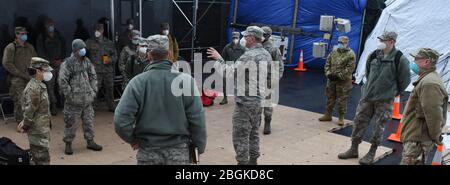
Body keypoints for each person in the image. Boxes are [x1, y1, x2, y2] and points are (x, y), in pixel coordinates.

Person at [114, 35, 206, 165]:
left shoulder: (137, 83)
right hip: (179, 153)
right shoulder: (186, 81)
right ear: (169, 54)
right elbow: (197, 118)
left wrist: (133, 139)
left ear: (149, 55)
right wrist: (199, 146)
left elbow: (120, 120)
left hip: (148, 153)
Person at [338, 31, 411, 165]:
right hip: (367, 97)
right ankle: (354, 148)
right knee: (359, 121)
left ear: (392, 42)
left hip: (384, 100)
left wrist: (392, 92)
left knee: (379, 126)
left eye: (384, 40)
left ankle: (372, 151)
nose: (380, 42)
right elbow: (368, 72)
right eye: (380, 40)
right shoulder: (374, 55)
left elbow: (405, 80)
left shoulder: (399, 59)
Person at [207, 26, 272, 165]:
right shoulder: (266, 54)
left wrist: (219, 59)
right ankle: (253, 161)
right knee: (254, 133)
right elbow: (270, 76)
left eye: (246, 36)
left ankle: (242, 163)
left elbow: (229, 73)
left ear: (252, 38)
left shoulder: (249, 56)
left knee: (240, 135)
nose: (244, 39)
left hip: (245, 102)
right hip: (258, 101)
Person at [400, 48, 447, 165]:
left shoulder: (429, 83)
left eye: (417, 59)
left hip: (418, 140)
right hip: (416, 136)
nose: (414, 62)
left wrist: (435, 136)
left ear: (426, 62)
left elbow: (434, 115)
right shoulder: (427, 79)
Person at [58, 39, 103, 155]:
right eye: (80, 49)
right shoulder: (68, 64)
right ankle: (68, 143)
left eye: (84, 48)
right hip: (74, 101)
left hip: (87, 100)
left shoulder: (86, 61)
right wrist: (70, 96)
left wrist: (93, 91)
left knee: (89, 122)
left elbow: (93, 76)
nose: (83, 50)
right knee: (71, 123)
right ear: (75, 50)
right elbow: (63, 81)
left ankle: (90, 141)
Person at [17, 57, 53, 165]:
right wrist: (25, 125)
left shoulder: (40, 86)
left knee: (39, 156)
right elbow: (30, 110)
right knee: (42, 159)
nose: (49, 73)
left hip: (42, 128)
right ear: (38, 71)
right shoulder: (34, 89)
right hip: (37, 130)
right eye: (46, 71)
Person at [2, 27, 37, 122]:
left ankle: (29, 121)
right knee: (21, 100)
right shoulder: (11, 47)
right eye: (22, 34)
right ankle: (20, 122)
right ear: (16, 35)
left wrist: (35, 72)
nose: (24, 35)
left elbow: (35, 60)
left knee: (31, 100)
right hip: (17, 79)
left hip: (30, 78)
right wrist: (20, 74)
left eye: (25, 33)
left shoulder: (30, 47)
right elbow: (7, 63)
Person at [318, 36, 356, 126]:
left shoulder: (351, 54)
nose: (340, 44)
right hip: (331, 80)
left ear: (347, 43)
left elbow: (350, 69)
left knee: (342, 99)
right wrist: (328, 74)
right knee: (330, 97)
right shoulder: (334, 52)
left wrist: (339, 76)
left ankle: (341, 118)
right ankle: (328, 115)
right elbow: (327, 63)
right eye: (339, 42)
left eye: (342, 43)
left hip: (343, 82)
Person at [36, 18, 67, 116]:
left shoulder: (58, 35)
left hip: (60, 64)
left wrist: (61, 60)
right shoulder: (42, 37)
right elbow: (40, 52)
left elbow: (64, 48)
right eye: (48, 25)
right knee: (50, 87)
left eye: (52, 24)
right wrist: (51, 61)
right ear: (45, 26)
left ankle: (64, 104)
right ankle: (53, 106)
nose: (51, 27)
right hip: (48, 66)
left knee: (62, 84)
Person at [86, 23, 117, 112]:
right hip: (96, 71)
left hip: (108, 71)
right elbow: (82, 53)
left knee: (110, 89)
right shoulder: (89, 42)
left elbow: (115, 56)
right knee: (94, 90)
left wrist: (109, 60)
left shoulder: (109, 43)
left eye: (99, 29)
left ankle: (111, 106)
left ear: (103, 30)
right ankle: (92, 107)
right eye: (96, 29)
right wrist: (88, 63)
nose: (97, 31)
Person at [261, 26, 284, 134]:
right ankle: (255, 123)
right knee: (254, 104)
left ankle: (267, 122)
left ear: (269, 36)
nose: (262, 36)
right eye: (261, 34)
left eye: (264, 35)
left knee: (267, 103)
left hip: (267, 80)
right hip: (254, 80)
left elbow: (279, 66)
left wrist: (275, 79)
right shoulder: (254, 47)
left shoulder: (273, 49)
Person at [219, 31, 245, 105]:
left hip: (239, 69)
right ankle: (225, 98)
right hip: (229, 68)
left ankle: (240, 99)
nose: (235, 39)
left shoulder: (242, 49)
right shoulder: (227, 47)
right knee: (225, 83)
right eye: (233, 38)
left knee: (239, 84)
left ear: (239, 38)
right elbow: (222, 58)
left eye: (236, 38)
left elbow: (246, 59)